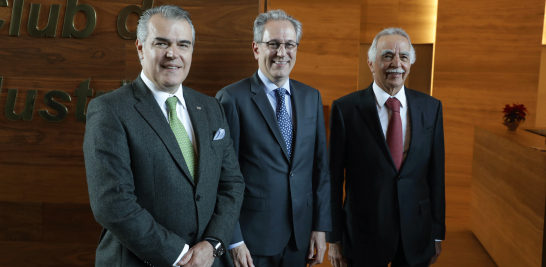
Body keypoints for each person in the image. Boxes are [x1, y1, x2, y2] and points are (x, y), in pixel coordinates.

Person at [83, 5, 244, 267]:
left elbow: (232, 184)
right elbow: (112, 203)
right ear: (140, 47)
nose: (173, 54)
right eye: (161, 43)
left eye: (183, 44)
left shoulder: (211, 108)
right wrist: (180, 256)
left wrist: (213, 243)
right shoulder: (110, 110)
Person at [215, 9, 331, 267]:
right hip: (251, 241)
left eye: (289, 44)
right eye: (273, 44)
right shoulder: (231, 99)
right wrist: (233, 239)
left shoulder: (311, 97)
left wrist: (320, 227)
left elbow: (321, 169)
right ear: (256, 49)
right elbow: (221, 176)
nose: (282, 52)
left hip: (300, 238)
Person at [327, 27, 445, 267]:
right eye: (387, 55)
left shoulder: (431, 108)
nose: (396, 63)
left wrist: (437, 232)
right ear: (371, 62)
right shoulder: (345, 109)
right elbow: (333, 178)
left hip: (417, 233)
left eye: (403, 57)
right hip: (362, 235)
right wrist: (334, 238)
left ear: (410, 63)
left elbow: (436, 175)